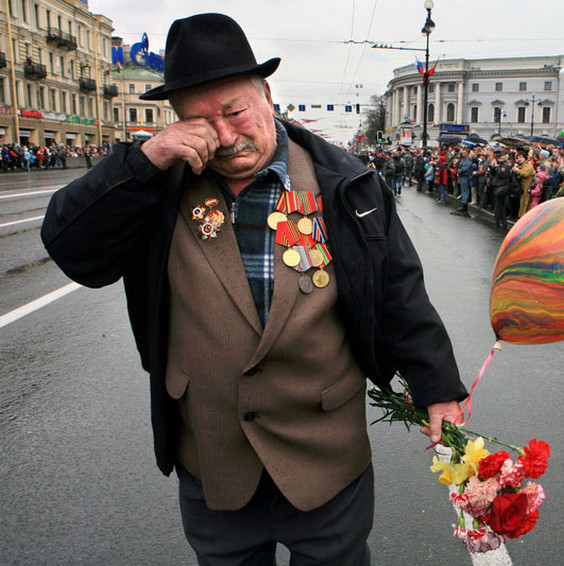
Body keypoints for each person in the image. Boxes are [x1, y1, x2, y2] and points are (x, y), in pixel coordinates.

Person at [40, 13, 466, 565]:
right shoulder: (157, 186)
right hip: (213, 459)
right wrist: (144, 161)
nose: (223, 135)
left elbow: (399, 295)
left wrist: (439, 390)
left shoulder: (346, 183)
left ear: (266, 94)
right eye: (197, 120)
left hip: (326, 459)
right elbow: (74, 249)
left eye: (234, 111)